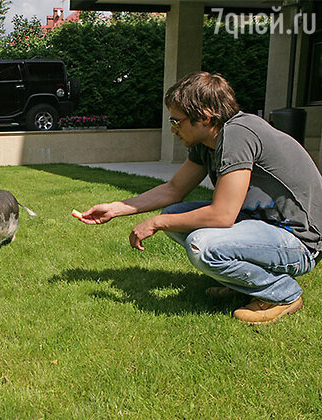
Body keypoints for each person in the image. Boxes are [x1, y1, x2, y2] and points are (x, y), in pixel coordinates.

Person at [77, 72, 322, 325]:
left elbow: (222, 215)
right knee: (173, 214)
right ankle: (243, 285)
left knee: (202, 245)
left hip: (301, 242)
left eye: (176, 121)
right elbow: (174, 189)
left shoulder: (238, 134)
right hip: (264, 226)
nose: (173, 129)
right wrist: (115, 209)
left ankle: (284, 295)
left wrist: (154, 224)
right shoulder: (205, 143)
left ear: (204, 117)